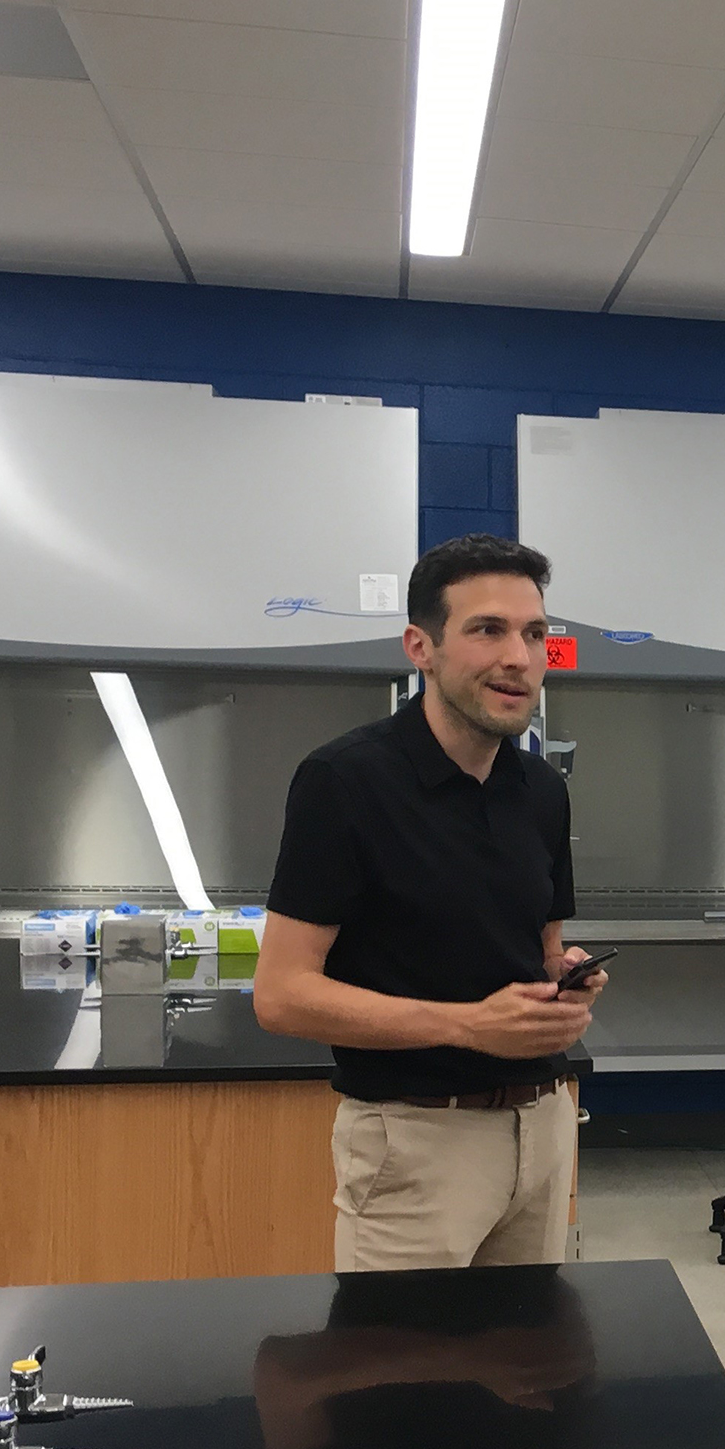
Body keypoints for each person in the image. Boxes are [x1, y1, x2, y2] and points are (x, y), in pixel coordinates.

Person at [254, 533, 604, 1271]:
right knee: (406, 1381)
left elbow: (541, 948)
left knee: (528, 1374)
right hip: (415, 1146)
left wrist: (564, 980)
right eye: (487, 630)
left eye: (535, 634)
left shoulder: (540, 791)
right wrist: (473, 1026)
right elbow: (282, 996)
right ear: (421, 647)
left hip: (545, 1127)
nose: (519, 656)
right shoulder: (344, 782)